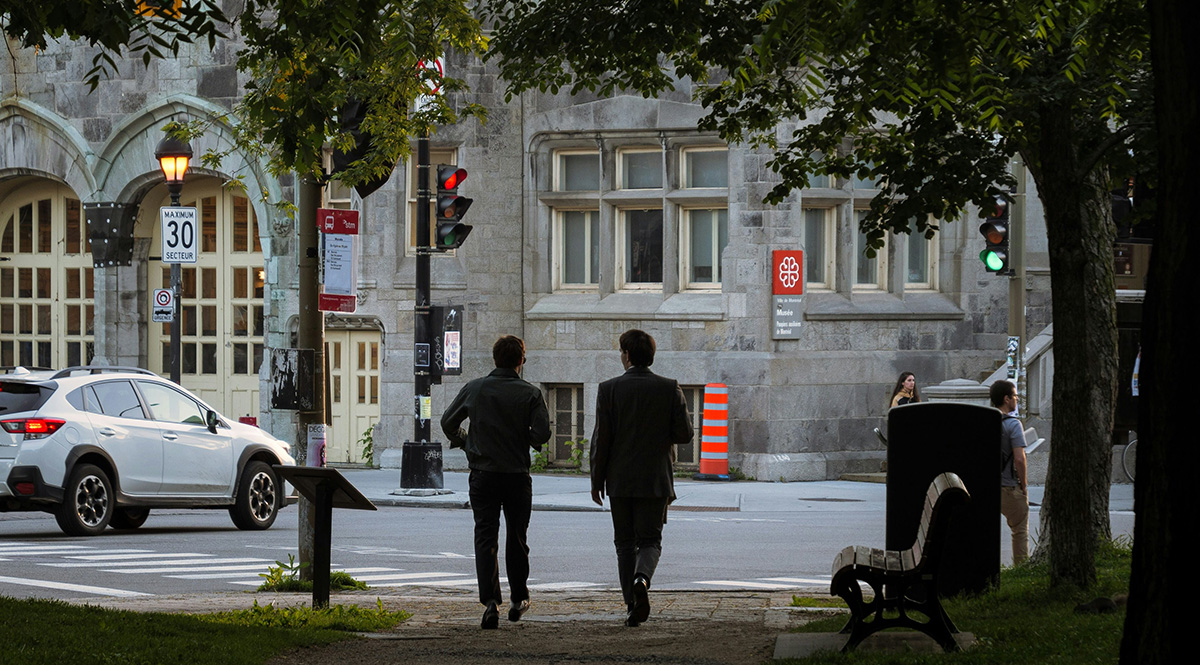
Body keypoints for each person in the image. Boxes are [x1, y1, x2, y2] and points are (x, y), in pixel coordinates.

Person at [441, 335, 551, 629]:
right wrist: (523, 437)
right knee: (517, 536)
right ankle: (518, 597)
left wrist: (465, 441)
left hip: (483, 474)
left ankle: (491, 602)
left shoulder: (475, 388)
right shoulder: (530, 393)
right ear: (521, 361)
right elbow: (542, 433)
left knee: (485, 536)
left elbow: (448, 422)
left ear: (494, 359)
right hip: (516, 475)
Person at [590, 329, 694, 627]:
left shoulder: (609, 389)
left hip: (620, 479)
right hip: (655, 478)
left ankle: (631, 604)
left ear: (626, 355)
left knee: (624, 544)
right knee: (650, 540)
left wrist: (597, 481)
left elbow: (602, 439)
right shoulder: (669, 387)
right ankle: (642, 579)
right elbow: (685, 434)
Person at [990, 379, 1028, 565]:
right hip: (1008, 486)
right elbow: (1019, 459)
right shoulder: (1013, 424)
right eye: (1015, 396)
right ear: (1006, 399)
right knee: (1019, 529)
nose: (1016, 399)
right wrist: (1024, 485)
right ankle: (1021, 569)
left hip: (988, 486)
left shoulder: (984, 421)